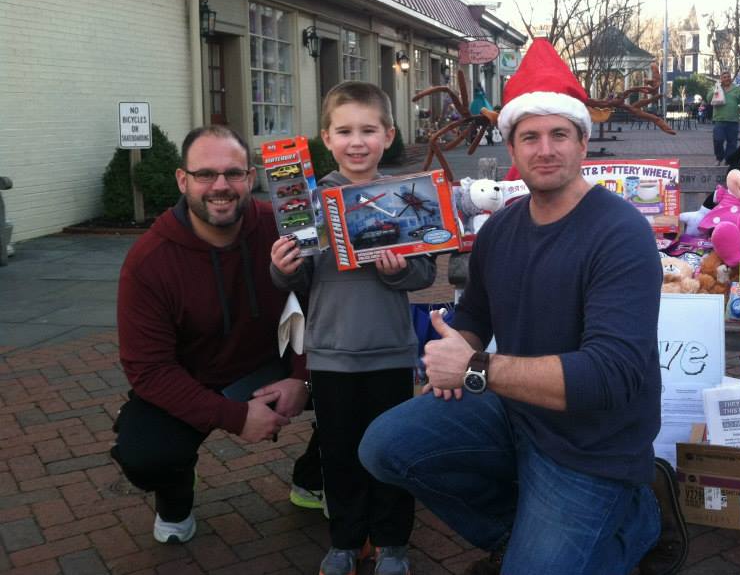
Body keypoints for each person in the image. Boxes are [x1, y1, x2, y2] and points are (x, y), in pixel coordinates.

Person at [359, 38, 663, 575]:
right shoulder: (501, 229)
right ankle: (516, 529)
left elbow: (614, 377)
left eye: (559, 135)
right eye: (530, 137)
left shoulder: (620, 233)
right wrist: (457, 345)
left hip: (593, 445)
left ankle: (633, 519)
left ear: (582, 143)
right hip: (514, 413)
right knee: (385, 446)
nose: (545, 149)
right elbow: (475, 318)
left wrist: (476, 367)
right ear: (512, 149)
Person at [112, 125, 318, 545]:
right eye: (205, 174)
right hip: (194, 379)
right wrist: (235, 417)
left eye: (233, 173)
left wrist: (304, 376)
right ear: (182, 180)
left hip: (274, 362)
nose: (220, 186)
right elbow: (147, 370)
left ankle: (314, 477)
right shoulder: (150, 260)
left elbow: (319, 306)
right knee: (145, 454)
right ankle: (175, 496)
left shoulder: (279, 228)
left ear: (251, 177)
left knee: (362, 378)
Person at [271, 81, 436, 575]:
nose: (357, 141)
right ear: (326, 137)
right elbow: (297, 277)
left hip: (389, 350)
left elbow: (425, 273)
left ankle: (392, 543)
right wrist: (282, 268)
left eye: (368, 130)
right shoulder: (307, 201)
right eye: (345, 131)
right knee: (339, 454)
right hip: (330, 352)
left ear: (388, 135)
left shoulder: (405, 200)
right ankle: (345, 540)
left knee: (388, 451)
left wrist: (398, 271)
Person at [712, 70, 740, 165]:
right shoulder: (716, 88)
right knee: (718, 140)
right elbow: (708, 98)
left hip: (733, 121)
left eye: (728, 77)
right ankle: (719, 157)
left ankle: (728, 160)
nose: (727, 78)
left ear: (730, 78)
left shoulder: (736, 90)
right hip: (719, 120)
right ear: (721, 79)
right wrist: (714, 91)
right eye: (724, 77)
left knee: (732, 143)